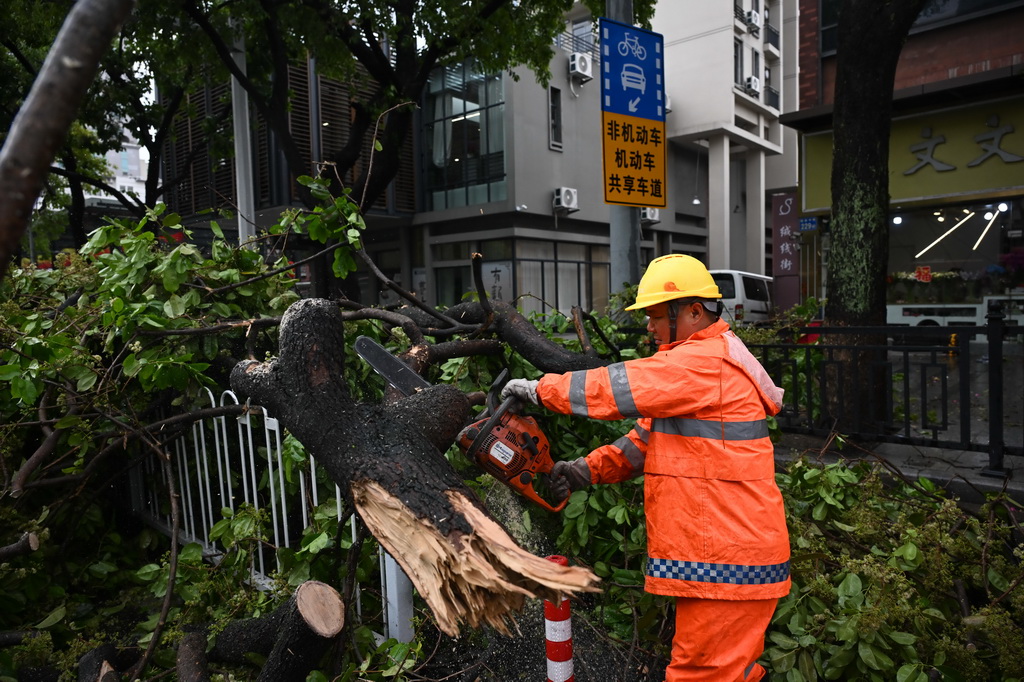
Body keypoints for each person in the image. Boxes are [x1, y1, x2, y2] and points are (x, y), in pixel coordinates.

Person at [501, 254, 790, 681]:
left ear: (694, 311)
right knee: (729, 673)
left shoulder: (703, 362)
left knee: (700, 675)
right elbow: (642, 445)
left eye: (656, 316)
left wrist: (541, 390)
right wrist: (584, 470)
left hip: (728, 558)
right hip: (730, 554)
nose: (649, 327)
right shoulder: (704, 364)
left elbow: (615, 387)